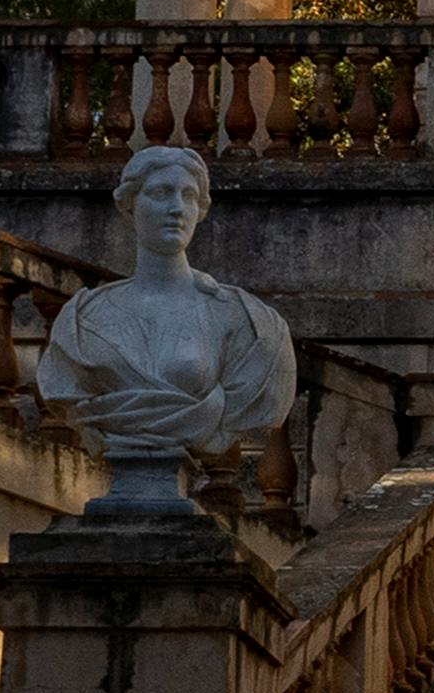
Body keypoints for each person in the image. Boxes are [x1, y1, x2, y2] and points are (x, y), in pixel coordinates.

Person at [35, 140, 299, 518]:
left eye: (189, 196)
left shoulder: (248, 322)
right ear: (129, 205)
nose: (177, 208)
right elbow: (65, 390)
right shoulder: (82, 318)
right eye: (160, 193)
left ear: (200, 209)